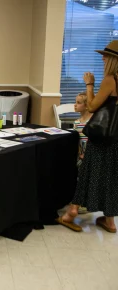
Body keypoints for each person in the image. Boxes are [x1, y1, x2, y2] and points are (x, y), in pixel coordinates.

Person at [57, 40, 118, 233]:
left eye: (106, 55)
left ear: (113, 59)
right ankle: (110, 221)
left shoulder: (110, 79)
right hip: (115, 137)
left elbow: (92, 106)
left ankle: (71, 213)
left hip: (100, 136)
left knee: (87, 171)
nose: (102, 58)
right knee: (110, 176)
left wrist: (89, 85)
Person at [72, 91, 93, 214]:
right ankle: (77, 200)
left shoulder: (92, 122)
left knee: (86, 178)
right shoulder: (76, 122)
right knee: (79, 176)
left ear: (86, 105)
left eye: (78, 103)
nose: (75, 105)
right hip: (79, 153)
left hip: (88, 153)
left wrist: (86, 154)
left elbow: (93, 140)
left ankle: (85, 202)